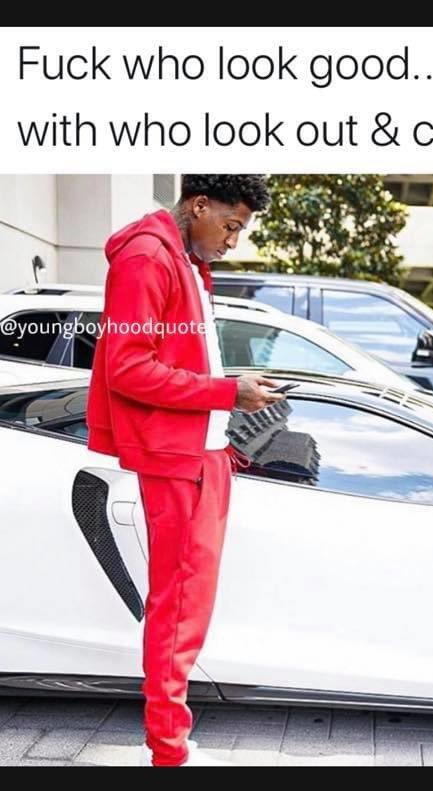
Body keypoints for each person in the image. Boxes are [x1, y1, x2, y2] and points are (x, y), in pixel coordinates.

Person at [86, 174, 284, 766]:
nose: (233, 241)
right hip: (177, 457)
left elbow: (181, 355)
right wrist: (228, 393)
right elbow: (127, 368)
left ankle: (171, 741)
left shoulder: (185, 260)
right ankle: (169, 750)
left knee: (188, 605)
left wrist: (229, 395)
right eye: (231, 226)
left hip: (202, 451)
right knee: (177, 607)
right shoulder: (148, 256)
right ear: (199, 205)